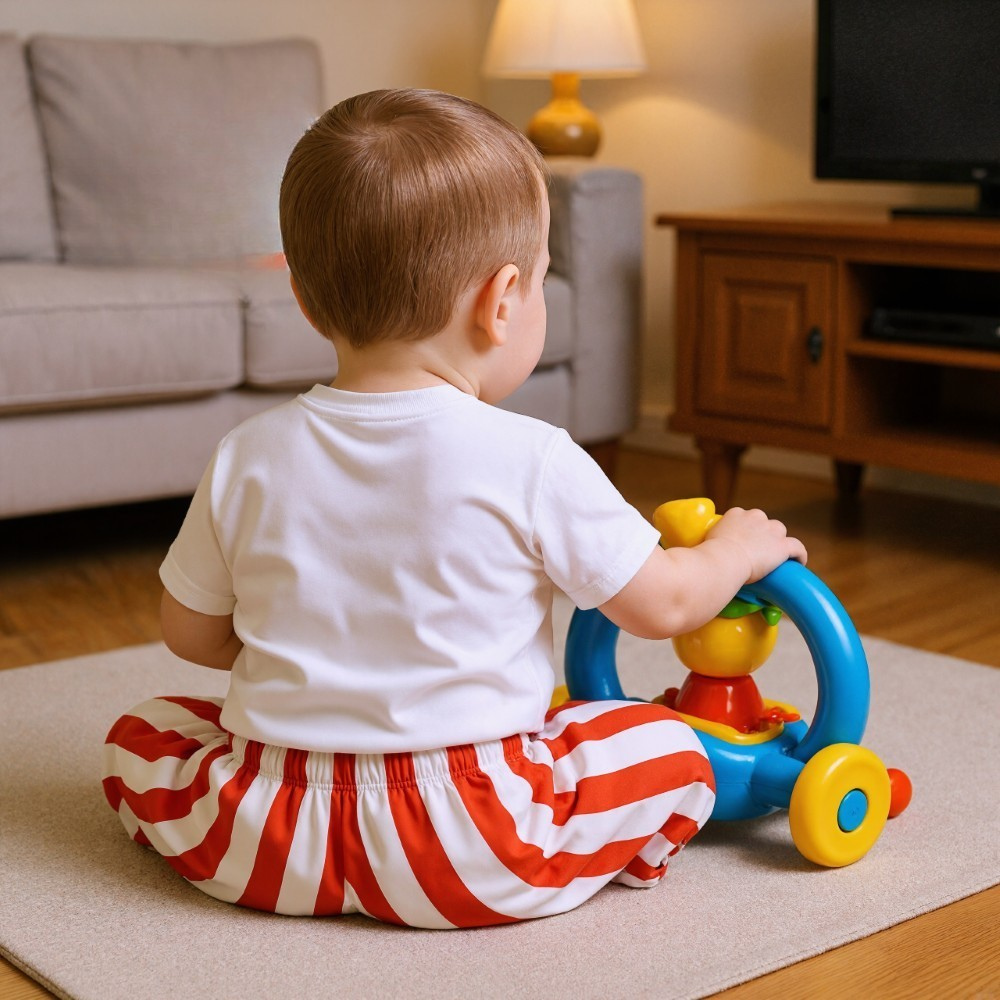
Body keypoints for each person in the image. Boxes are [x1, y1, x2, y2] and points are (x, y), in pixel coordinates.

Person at [102, 89, 807, 929]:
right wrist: (735, 549)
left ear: (303, 296)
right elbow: (664, 605)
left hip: (268, 837)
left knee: (142, 731)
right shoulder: (534, 457)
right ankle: (612, 852)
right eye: (542, 283)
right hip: (470, 845)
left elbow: (190, 636)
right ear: (502, 301)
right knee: (669, 743)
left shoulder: (247, 453)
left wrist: (317, 664)